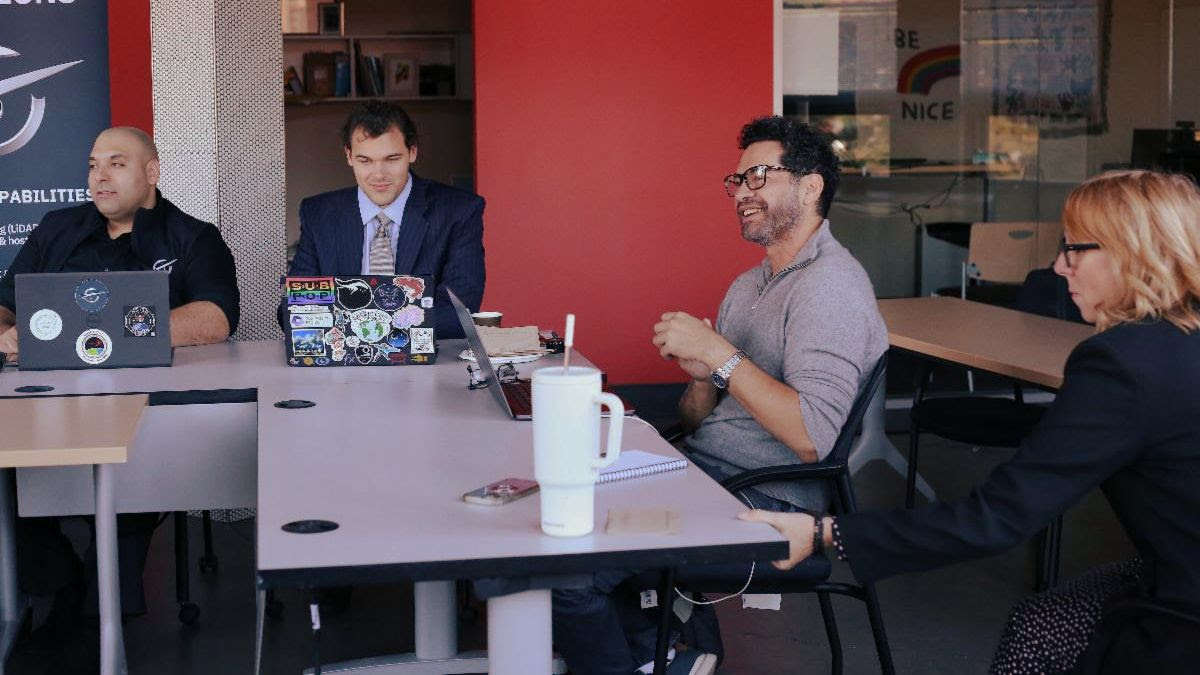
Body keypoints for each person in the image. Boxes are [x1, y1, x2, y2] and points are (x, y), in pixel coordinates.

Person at [742, 170, 1200, 673]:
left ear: (1131, 252)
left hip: (1184, 604)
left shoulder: (1121, 366)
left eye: (1074, 250)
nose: (1058, 266)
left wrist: (823, 532)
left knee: (1036, 639)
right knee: (1042, 622)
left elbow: (996, 518)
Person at [549, 116, 887, 674]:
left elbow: (814, 439)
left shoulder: (831, 287)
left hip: (770, 503)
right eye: (737, 182)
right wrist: (705, 374)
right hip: (705, 473)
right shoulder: (749, 284)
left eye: (759, 176)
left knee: (566, 573)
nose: (743, 194)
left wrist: (722, 356)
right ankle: (679, 648)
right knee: (561, 511)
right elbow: (694, 418)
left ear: (810, 187)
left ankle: (667, 649)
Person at [0, 126, 240, 654]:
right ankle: (63, 580)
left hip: (150, 412)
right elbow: (5, 302)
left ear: (152, 172)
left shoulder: (193, 236)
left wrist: (99, 334)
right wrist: (6, 330)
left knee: (128, 489)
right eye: (92, 165)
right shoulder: (56, 229)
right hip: (47, 405)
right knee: (7, 483)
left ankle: (95, 628)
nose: (99, 177)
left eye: (116, 163)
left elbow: (216, 317)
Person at [287, 99, 485, 338]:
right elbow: (294, 310)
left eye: (391, 159)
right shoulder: (319, 215)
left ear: (412, 152)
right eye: (365, 160)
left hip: (428, 365)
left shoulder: (458, 211)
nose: (379, 175)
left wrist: (364, 325)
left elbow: (459, 312)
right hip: (340, 369)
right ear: (349, 156)